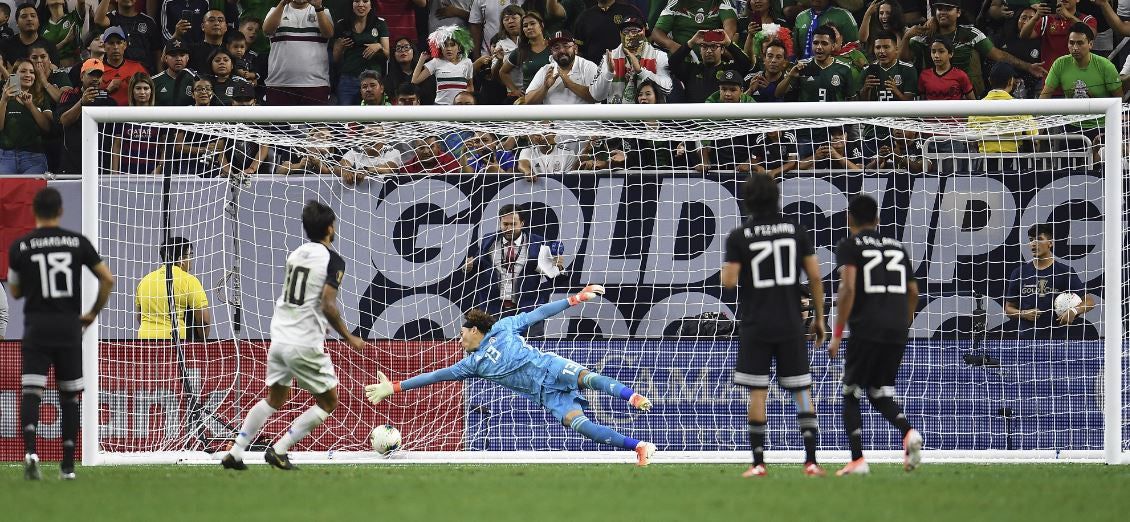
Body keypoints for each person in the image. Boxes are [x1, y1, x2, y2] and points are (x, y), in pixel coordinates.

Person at [363, 291, 658, 465]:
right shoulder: (471, 364)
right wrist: (395, 387)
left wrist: (575, 299)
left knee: (588, 378)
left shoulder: (503, 327)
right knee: (582, 427)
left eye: (462, 333)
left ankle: (632, 396)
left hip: (549, 366)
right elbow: (435, 376)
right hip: (546, 395)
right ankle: (639, 447)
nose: (459, 339)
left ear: (474, 330)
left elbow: (539, 313)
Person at [222, 200, 367, 471]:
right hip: (304, 341)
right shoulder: (333, 260)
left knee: (274, 399)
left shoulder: (296, 254)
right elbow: (327, 303)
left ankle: (236, 451)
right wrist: (349, 337)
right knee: (329, 401)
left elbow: (304, 296)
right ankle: (279, 449)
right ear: (329, 228)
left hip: (280, 336)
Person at [720, 173, 827, 478]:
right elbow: (814, 276)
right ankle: (811, 461)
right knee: (802, 390)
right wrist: (819, 318)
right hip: (790, 321)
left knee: (758, 392)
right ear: (776, 198)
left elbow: (728, 281)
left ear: (748, 200)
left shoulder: (740, 235)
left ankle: (758, 463)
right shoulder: (795, 230)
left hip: (757, 322)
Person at [8, 187, 115, 480]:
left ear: (34, 211)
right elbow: (107, 279)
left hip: (37, 326)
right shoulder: (77, 242)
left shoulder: (21, 246)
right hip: (69, 327)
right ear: (60, 211)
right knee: (69, 396)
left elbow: (15, 291)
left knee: (32, 391)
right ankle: (67, 466)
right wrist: (91, 313)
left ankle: (31, 453)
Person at [828, 194, 923, 476]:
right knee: (878, 392)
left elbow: (848, 288)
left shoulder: (849, 245)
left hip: (867, 327)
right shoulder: (897, 247)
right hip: (896, 330)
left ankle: (858, 460)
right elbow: (913, 292)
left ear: (849, 219)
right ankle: (908, 432)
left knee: (850, 392)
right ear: (877, 219)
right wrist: (903, 325)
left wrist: (837, 333)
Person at [903, 1, 1045, 97]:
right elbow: (904, 59)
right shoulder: (925, 35)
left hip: (965, 96)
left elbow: (998, 55)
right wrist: (906, 37)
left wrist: (1028, 67)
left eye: (948, 9)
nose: (943, 12)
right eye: (940, 9)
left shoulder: (971, 34)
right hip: (934, 97)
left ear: (958, 12)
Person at [1001, 223, 1096, 339]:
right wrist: (1023, 314)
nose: (1033, 243)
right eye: (1031, 240)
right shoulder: (1019, 273)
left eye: (1039, 239)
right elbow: (1008, 309)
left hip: (1057, 340)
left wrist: (1074, 311)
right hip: (1026, 340)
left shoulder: (1065, 272)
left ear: (1050, 243)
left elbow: (1089, 302)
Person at [135, 236, 211, 340]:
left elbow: (140, 316)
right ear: (181, 259)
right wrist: (202, 342)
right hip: (174, 342)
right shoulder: (189, 281)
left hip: (145, 341)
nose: (191, 259)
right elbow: (204, 321)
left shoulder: (144, 281)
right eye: (190, 255)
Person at [263, 0, 333, 105]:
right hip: (279, 84)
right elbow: (267, 30)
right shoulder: (275, 10)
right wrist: (282, 3)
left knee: (315, 117)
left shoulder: (323, 11)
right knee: (278, 117)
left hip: (315, 84)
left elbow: (328, 34)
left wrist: (318, 8)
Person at [590, 17, 673, 104]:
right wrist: (609, 73)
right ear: (620, 33)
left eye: (634, 31)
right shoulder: (609, 57)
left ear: (643, 31)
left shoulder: (659, 55)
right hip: (618, 112)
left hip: (648, 111)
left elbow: (667, 89)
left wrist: (641, 71)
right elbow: (596, 96)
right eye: (625, 31)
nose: (630, 34)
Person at [56, 58, 116, 175]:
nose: (95, 79)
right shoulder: (69, 95)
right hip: (73, 163)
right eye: (91, 75)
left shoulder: (109, 101)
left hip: (100, 164)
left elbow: (116, 137)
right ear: (82, 76)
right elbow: (63, 121)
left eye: (98, 75)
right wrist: (82, 103)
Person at [332, 0, 390, 105]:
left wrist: (378, 46)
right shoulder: (342, 24)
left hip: (372, 79)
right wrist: (341, 46)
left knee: (373, 113)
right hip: (348, 78)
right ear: (352, 4)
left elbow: (387, 54)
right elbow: (335, 58)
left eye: (365, 1)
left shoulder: (380, 23)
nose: (361, 4)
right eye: (357, 1)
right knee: (346, 114)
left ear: (371, 5)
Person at [0, 59, 54, 174]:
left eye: (32, 72)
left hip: (34, 157)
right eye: (23, 71)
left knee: (32, 186)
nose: (28, 75)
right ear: (14, 75)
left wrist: (30, 106)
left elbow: (47, 128)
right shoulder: (4, 97)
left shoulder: (41, 97)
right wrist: (4, 100)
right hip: (5, 156)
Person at [670, 29, 751, 103]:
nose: (709, 51)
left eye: (713, 46)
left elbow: (746, 63)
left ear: (722, 50)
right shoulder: (691, 69)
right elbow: (673, 63)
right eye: (704, 47)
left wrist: (729, 43)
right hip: (695, 113)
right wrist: (691, 42)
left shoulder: (730, 70)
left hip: (721, 113)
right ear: (700, 50)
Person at [523, 30, 599, 104]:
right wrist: (545, 87)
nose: (562, 51)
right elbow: (528, 101)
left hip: (582, 113)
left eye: (566, 46)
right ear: (551, 52)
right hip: (552, 113)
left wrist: (569, 84)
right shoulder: (546, 70)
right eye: (556, 48)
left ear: (575, 49)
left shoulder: (588, 66)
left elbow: (597, 97)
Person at [1020, 0, 1097, 70]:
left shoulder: (1087, 19)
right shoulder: (1047, 20)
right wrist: (1035, 17)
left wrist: (1070, 17)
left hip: (1076, 74)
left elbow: (1092, 34)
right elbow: (1024, 35)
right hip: (1051, 75)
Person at [94, 0, 163, 72]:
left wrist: (160, 73)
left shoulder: (148, 21)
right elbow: (99, 21)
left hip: (144, 74)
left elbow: (157, 53)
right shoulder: (112, 18)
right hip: (118, 74)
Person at [413, 25, 475, 104]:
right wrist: (421, 60)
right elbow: (415, 80)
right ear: (440, 48)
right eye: (445, 45)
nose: (449, 49)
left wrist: (466, 102)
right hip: (440, 106)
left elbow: (470, 86)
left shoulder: (467, 62)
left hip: (459, 106)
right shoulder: (436, 62)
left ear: (459, 47)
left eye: (452, 45)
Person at [99, 26, 150, 106]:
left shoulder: (137, 68)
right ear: (104, 47)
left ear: (125, 45)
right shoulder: (97, 70)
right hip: (105, 113)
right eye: (111, 43)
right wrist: (107, 91)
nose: (116, 47)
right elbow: (90, 99)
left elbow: (150, 93)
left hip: (132, 112)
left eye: (119, 43)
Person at [792, 0, 858, 61]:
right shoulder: (801, 17)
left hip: (834, 67)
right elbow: (795, 49)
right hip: (803, 66)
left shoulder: (844, 16)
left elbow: (855, 47)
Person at [152, 39, 198, 106]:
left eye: (182, 55)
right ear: (166, 58)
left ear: (187, 58)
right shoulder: (154, 81)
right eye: (173, 55)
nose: (178, 59)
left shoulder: (196, 80)